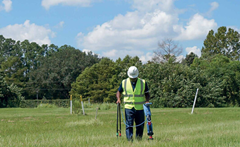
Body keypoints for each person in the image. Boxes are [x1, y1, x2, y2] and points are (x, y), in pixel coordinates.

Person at [116, 66, 150, 141]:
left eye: (134, 77)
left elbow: (147, 93)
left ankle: (139, 139)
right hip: (128, 107)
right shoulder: (124, 82)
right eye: (132, 77)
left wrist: (147, 100)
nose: (133, 78)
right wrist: (118, 99)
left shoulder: (143, 82)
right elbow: (119, 91)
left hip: (140, 108)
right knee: (129, 125)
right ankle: (129, 141)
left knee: (140, 125)